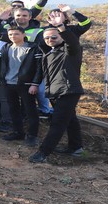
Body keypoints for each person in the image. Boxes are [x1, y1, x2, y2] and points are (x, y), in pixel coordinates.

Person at [29, 11, 86, 163]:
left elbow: (72, 41)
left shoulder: (71, 50)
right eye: (47, 38)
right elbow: (41, 43)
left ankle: (43, 152)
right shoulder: (49, 53)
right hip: (55, 91)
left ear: (61, 36)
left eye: (54, 37)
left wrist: (61, 26)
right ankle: (76, 147)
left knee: (58, 122)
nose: (50, 40)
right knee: (70, 119)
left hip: (69, 90)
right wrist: (50, 27)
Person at [0, 26, 43, 146]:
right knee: (13, 109)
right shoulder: (6, 47)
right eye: (10, 35)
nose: (13, 37)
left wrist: (35, 84)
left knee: (30, 110)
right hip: (8, 83)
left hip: (26, 84)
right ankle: (18, 132)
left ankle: (32, 135)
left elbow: (39, 68)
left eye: (16, 34)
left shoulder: (33, 48)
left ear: (23, 34)